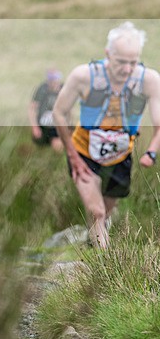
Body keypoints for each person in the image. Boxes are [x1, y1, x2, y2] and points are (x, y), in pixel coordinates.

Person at [52, 22, 160, 249]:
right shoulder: (84, 76)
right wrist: (72, 155)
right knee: (96, 210)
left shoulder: (149, 80)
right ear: (108, 54)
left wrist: (151, 151)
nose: (127, 69)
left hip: (121, 157)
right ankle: (106, 263)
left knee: (106, 211)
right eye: (121, 62)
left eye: (133, 62)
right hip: (83, 154)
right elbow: (59, 113)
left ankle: (92, 240)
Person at [28, 68, 64, 152]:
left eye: (56, 80)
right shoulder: (42, 89)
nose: (55, 83)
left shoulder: (63, 89)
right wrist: (35, 127)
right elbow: (32, 108)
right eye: (52, 80)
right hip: (44, 124)